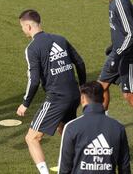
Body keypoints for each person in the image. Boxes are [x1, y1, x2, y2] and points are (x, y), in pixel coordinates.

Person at [16, 9, 86, 174]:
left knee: (32, 138)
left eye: (22, 27)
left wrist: (25, 103)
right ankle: (79, 166)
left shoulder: (32, 48)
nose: (22, 30)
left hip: (56, 98)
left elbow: (34, 80)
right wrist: (82, 88)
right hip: (74, 94)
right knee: (66, 131)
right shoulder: (60, 39)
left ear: (28, 26)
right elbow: (80, 63)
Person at [58, 81, 131, 173]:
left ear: (83, 98)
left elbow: (64, 168)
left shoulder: (71, 127)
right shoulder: (118, 127)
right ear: (103, 98)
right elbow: (124, 167)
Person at [90, 0, 133, 110]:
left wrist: (118, 53)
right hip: (117, 53)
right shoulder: (113, 1)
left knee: (128, 94)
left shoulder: (120, 1)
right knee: (101, 87)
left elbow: (131, 33)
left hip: (127, 56)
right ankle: (102, 121)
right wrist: (113, 46)